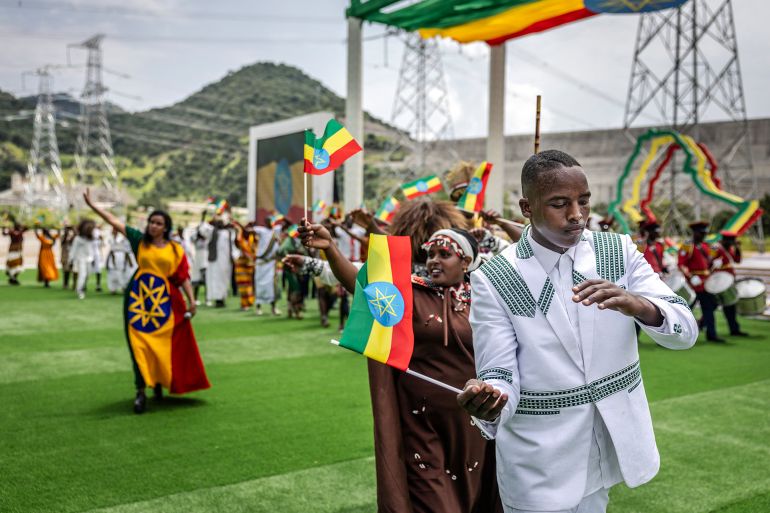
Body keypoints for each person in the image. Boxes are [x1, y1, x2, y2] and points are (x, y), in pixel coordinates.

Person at [457, 150, 697, 513]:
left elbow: (685, 329)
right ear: (527, 207)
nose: (577, 216)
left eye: (583, 201)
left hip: (611, 443)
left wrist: (640, 306)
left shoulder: (617, 250)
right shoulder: (494, 278)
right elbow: (499, 371)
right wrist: (490, 399)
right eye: (559, 204)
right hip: (539, 459)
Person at [298, 219, 503, 513]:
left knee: (474, 500)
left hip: (474, 426)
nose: (433, 261)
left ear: (467, 261)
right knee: (437, 503)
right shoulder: (411, 293)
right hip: (422, 425)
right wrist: (330, 247)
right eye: (431, 254)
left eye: (444, 254)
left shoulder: (488, 298)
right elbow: (363, 286)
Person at [84, 189, 210, 414]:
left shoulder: (175, 249)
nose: (153, 226)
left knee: (162, 344)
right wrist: (93, 206)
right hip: (138, 302)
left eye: (158, 223)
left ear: (166, 227)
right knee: (139, 345)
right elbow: (114, 221)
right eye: (152, 222)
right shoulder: (138, 241)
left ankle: (160, 381)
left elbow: (183, 278)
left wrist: (192, 301)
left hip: (166, 304)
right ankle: (140, 391)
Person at [678, 221, 725, 342]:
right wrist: (690, 276)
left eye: (705, 233)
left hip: (705, 283)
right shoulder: (687, 245)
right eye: (701, 233)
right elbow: (681, 264)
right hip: (693, 283)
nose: (704, 235)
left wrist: (714, 264)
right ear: (695, 233)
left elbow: (708, 264)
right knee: (685, 310)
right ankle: (673, 333)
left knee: (709, 307)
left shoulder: (705, 246)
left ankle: (711, 334)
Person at [712, 231, 748, 337]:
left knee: (730, 304)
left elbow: (737, 260)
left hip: (728, 281)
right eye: (730, 241)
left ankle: (734, 329)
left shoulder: (730, 249)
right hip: (719, 281)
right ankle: (701, 324)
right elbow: (709, 261)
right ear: (724, 240)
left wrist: (738, 248)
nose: (732, 243)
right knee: (713, 305)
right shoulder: (716, 248)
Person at [252, 218, 281, 316]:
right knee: (259, 284)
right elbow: (248, 230)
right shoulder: (261, 230)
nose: (270, 223)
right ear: (265, 222)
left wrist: (281, 216)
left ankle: (273, 308)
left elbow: (289, 224)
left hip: (271, 263)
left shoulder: (276, 230)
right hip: (261, 262)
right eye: (268, 221)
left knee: (272, 286)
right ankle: (258, 307)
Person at [205, 217, 235, 308]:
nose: (220, 225)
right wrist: (204, 218)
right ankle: (217, 300)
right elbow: (203, 229)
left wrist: (233, 257)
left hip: (225, 262)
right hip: (215, 262)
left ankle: (222, 299)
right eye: (218, 223)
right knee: (215, 280)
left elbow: (232, 246)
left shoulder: (228, 233)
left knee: (224, 280)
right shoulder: (212, 233)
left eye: (221, 223)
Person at [69, 219, 96, 299]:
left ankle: (82, 287)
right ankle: (79, 291)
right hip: (80, 260)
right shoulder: (78, 239)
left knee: (87, 274)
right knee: (82, 275)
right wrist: (71, 260)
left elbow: (91, 250)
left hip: (89, 260)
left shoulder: (90, 239)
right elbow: (73, 250)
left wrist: (93, 258)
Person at [233, 221, 257, 311]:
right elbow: (236, 242)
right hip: (241, 264)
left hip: (250, 265)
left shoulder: (253, 238)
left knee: (249, 285)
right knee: (243, 285)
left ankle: (249, 302)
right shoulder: (240, 239)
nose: (249, 231)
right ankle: (244, 304)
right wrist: (238, 230)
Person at [105, 227, 136, 294]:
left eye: (115, 230)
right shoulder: (110, 238)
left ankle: (124, 287)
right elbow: (111, 249)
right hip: (113, 257)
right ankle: (112, 288)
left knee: (125, 273)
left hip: (123, 257)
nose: (113, 231)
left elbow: (127, 250)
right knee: (112, 273)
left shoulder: (123, 239)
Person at [191, 213, 212, 305]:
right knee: (196, 281)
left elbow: (207, 235)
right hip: (197, 259)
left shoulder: (207, 235)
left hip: (205, 258)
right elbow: (193, 238)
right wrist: (198, 233)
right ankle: (195, 299)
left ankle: (208, 299)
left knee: (207, 279)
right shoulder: (195, 236)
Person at [3, 218, 26, 285]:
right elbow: (4, 233)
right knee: (12, 264)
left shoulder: (20, 231)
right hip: (13, 250)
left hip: (18, 250)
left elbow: (27, 228)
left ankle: (13, 278)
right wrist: (4, 227)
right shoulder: (12, 232)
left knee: (18, 265)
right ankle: (12, 278)